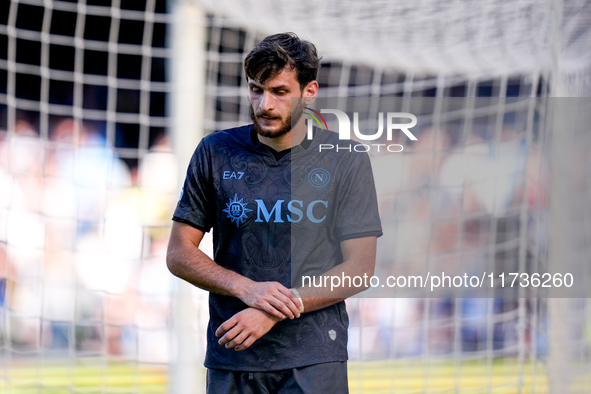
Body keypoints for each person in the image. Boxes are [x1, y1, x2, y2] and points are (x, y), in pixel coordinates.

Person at [167, 32, 382, 393]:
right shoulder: (215, 152)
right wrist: (245, 288)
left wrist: (271, 309)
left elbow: (359, 269)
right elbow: (179, 253)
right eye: (256, 89)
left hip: (314, 355)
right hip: (233, 349)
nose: (265, 104)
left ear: (309, 92)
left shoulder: (346, 159)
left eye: (280, 92)